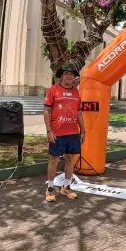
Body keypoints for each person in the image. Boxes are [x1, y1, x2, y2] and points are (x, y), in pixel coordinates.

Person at [43, 62, 85, 202]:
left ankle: (66, 187)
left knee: (69, 159)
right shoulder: (53, 90)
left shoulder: (76, 92)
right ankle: (50, 189)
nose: (69, 76)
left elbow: (79, 114)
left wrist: (83, 131)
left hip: (72, 132)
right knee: (53, 160)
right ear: (61, 75)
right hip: (57, 133)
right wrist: (49, 131)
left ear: (74, 77)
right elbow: (47, 112)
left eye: (71, 74)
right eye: (66, 73)